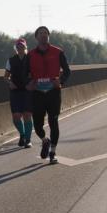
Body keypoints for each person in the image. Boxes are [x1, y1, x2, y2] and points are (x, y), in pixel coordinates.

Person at [27, 25, 71, 164]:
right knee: (38, 125)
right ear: (36, 37)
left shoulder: (58, 52)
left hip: (53, 93)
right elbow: (24, 73)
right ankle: (45, 140)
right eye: (40, 33)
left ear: (48, 36)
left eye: (46, 33)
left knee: (53, 122)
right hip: (38, 93)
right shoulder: (31, 55)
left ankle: (52, 152)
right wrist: (29, 82)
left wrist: (61, 81)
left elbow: (67, 71)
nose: (43, 35)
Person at [6, 38, 33, 148]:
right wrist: (9, 83)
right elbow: (5, 77)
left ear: (25, 47)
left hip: (27, 90)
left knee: (27, 115)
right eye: (18, 47)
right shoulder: (11, 60)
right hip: (15, 91)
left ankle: (28, 139)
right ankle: (22, 135)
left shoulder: (30, 59)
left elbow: (35, 74)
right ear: (15, 48)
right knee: (16, 116)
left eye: (22, 46)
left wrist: (31, 83)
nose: (20, 48)